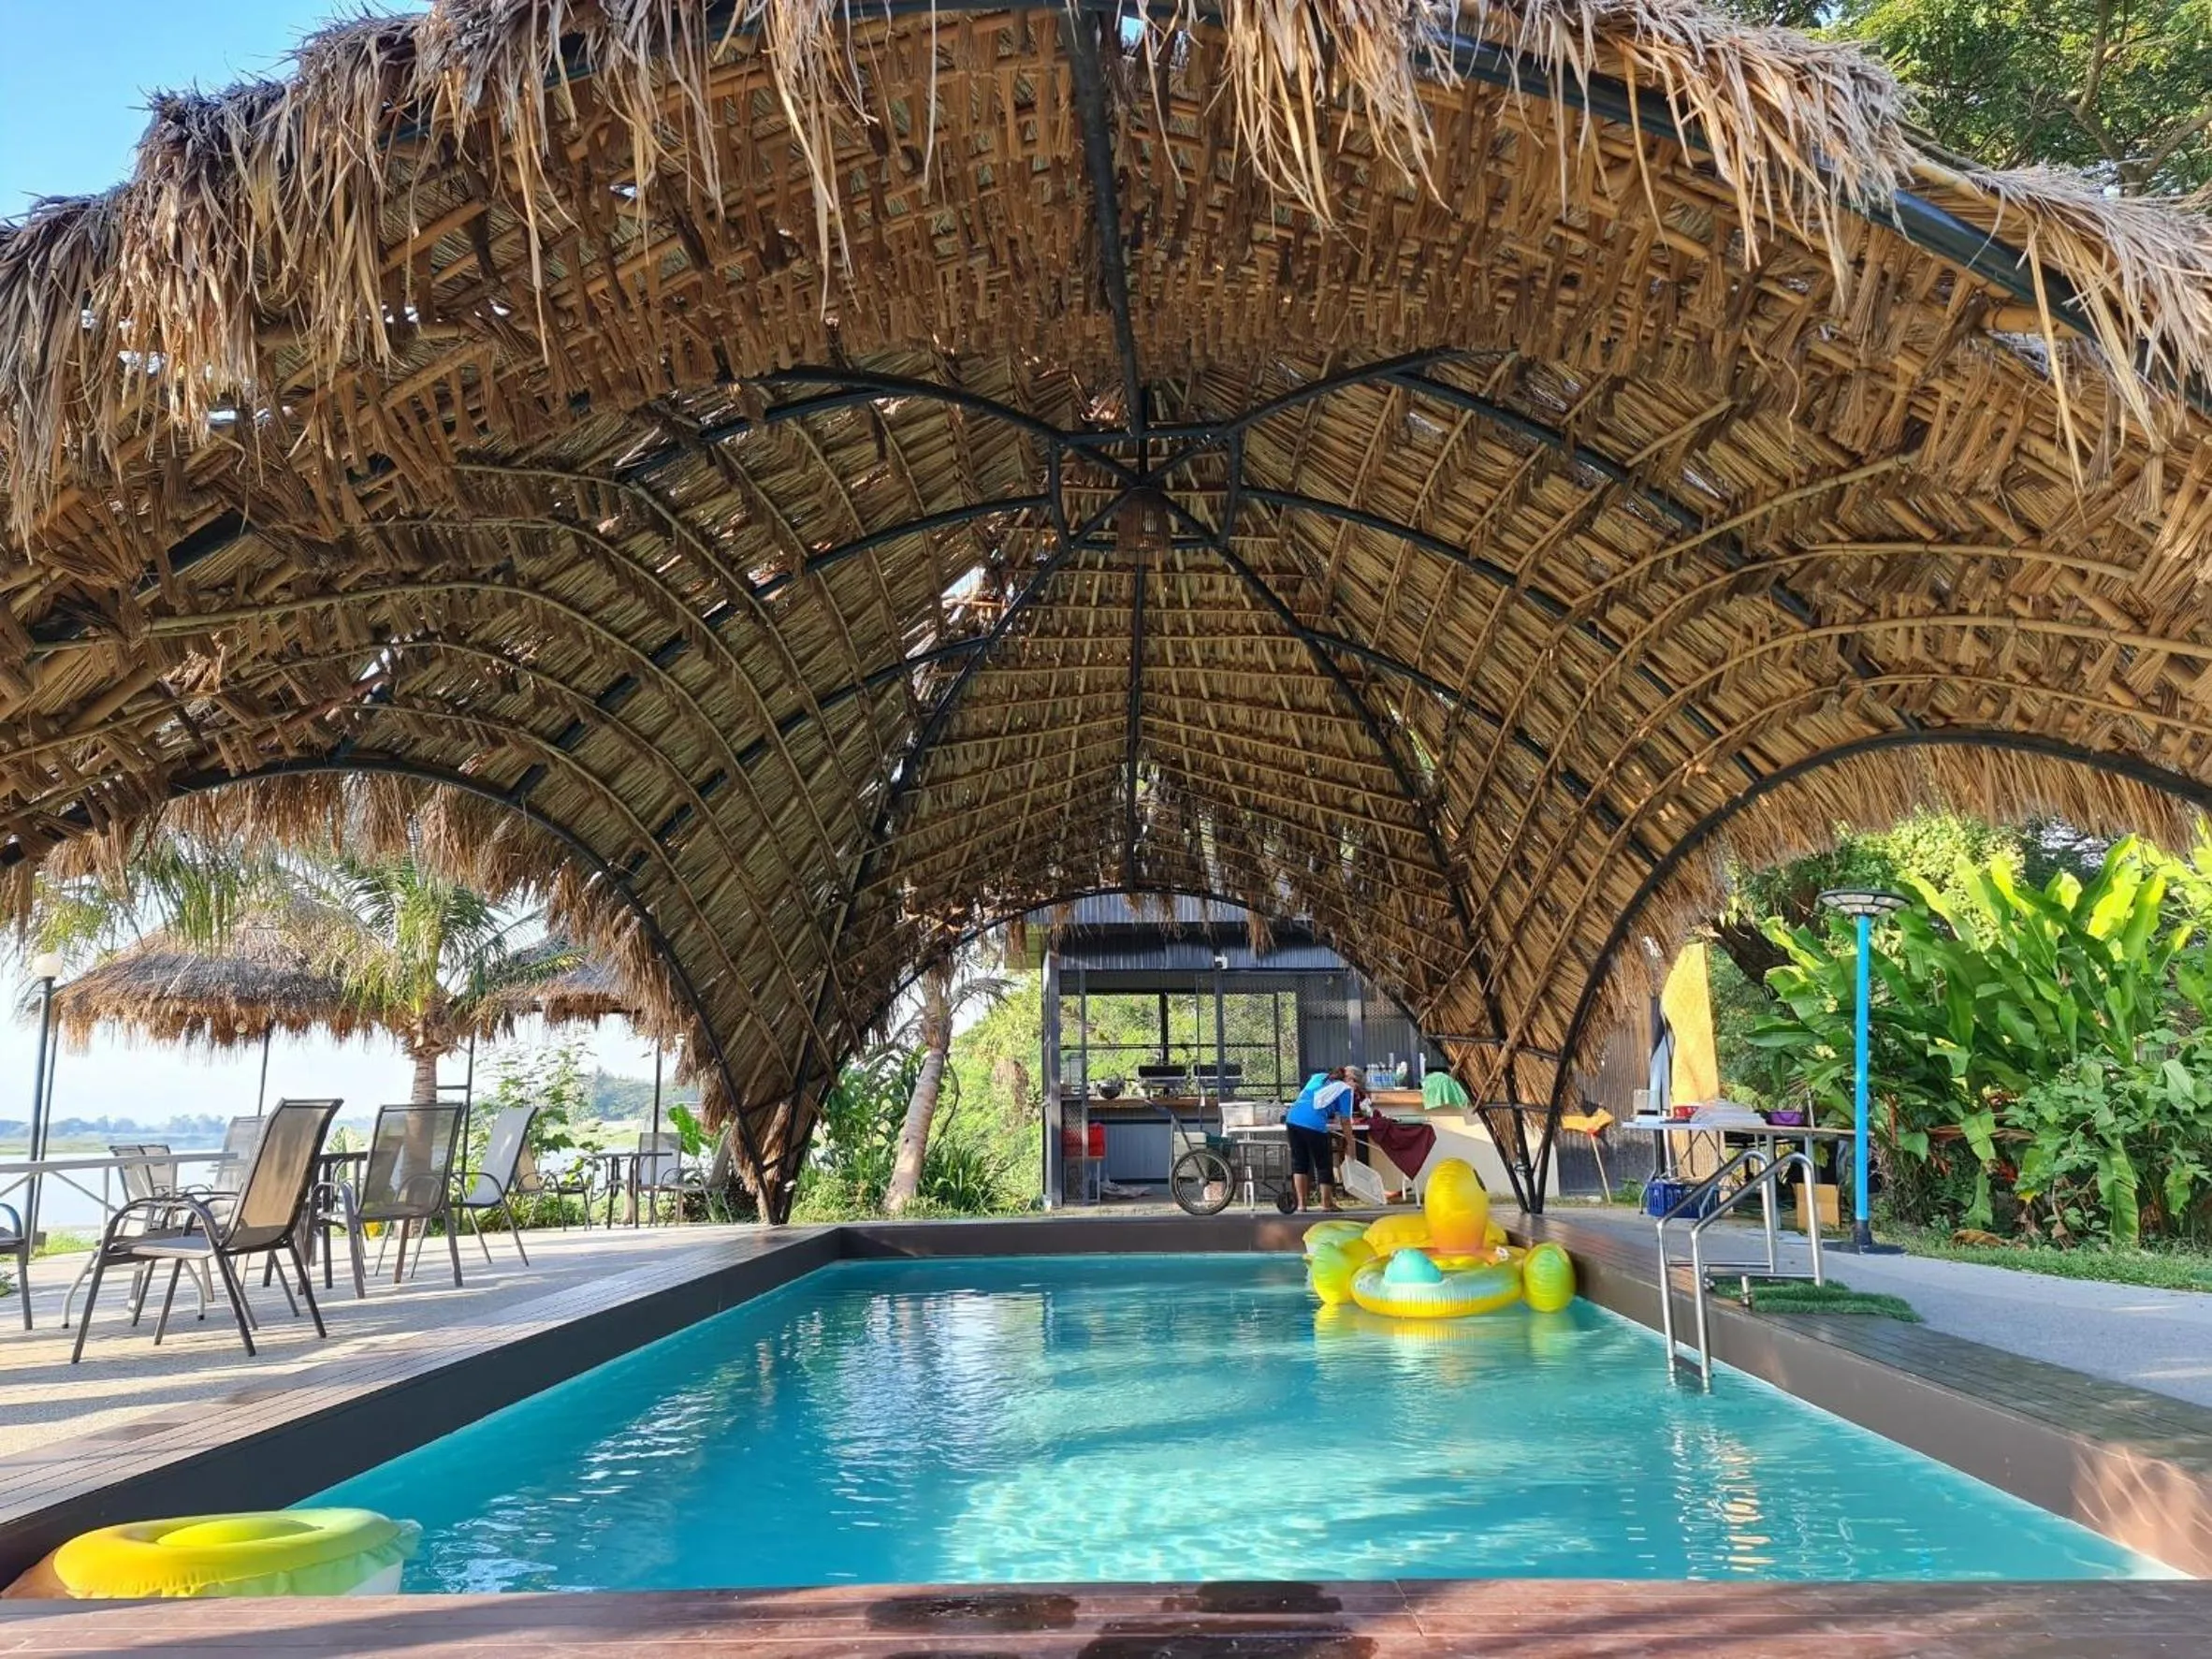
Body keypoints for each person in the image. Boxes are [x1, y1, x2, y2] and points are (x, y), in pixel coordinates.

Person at [1284, 1069, 1358, 1211]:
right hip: (1313, 1124)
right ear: (1350, 1080)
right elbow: (1345, 1120)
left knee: (1300, 1162)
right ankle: (1326, 1203)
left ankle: (1301, 1204)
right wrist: (1350, 1142)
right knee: (1323, 1164)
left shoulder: (1318, 1077)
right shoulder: (1345, 1089)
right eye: (1355, 1082)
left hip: (1293, 1119)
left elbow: (1312, 1099)